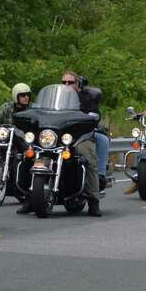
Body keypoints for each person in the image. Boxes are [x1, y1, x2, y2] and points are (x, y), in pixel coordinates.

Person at [58, 69, 103, 216]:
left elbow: (95, 114)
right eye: (63, 82)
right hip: (58, 138)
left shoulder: (86, 98)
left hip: (80, 137)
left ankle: (93, 201)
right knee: (32, 154)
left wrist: (90, 117)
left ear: (77, 84)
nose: (66, 85)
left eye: (70, 82)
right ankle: (30, 198)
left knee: (89, 159)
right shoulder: (57, 99)